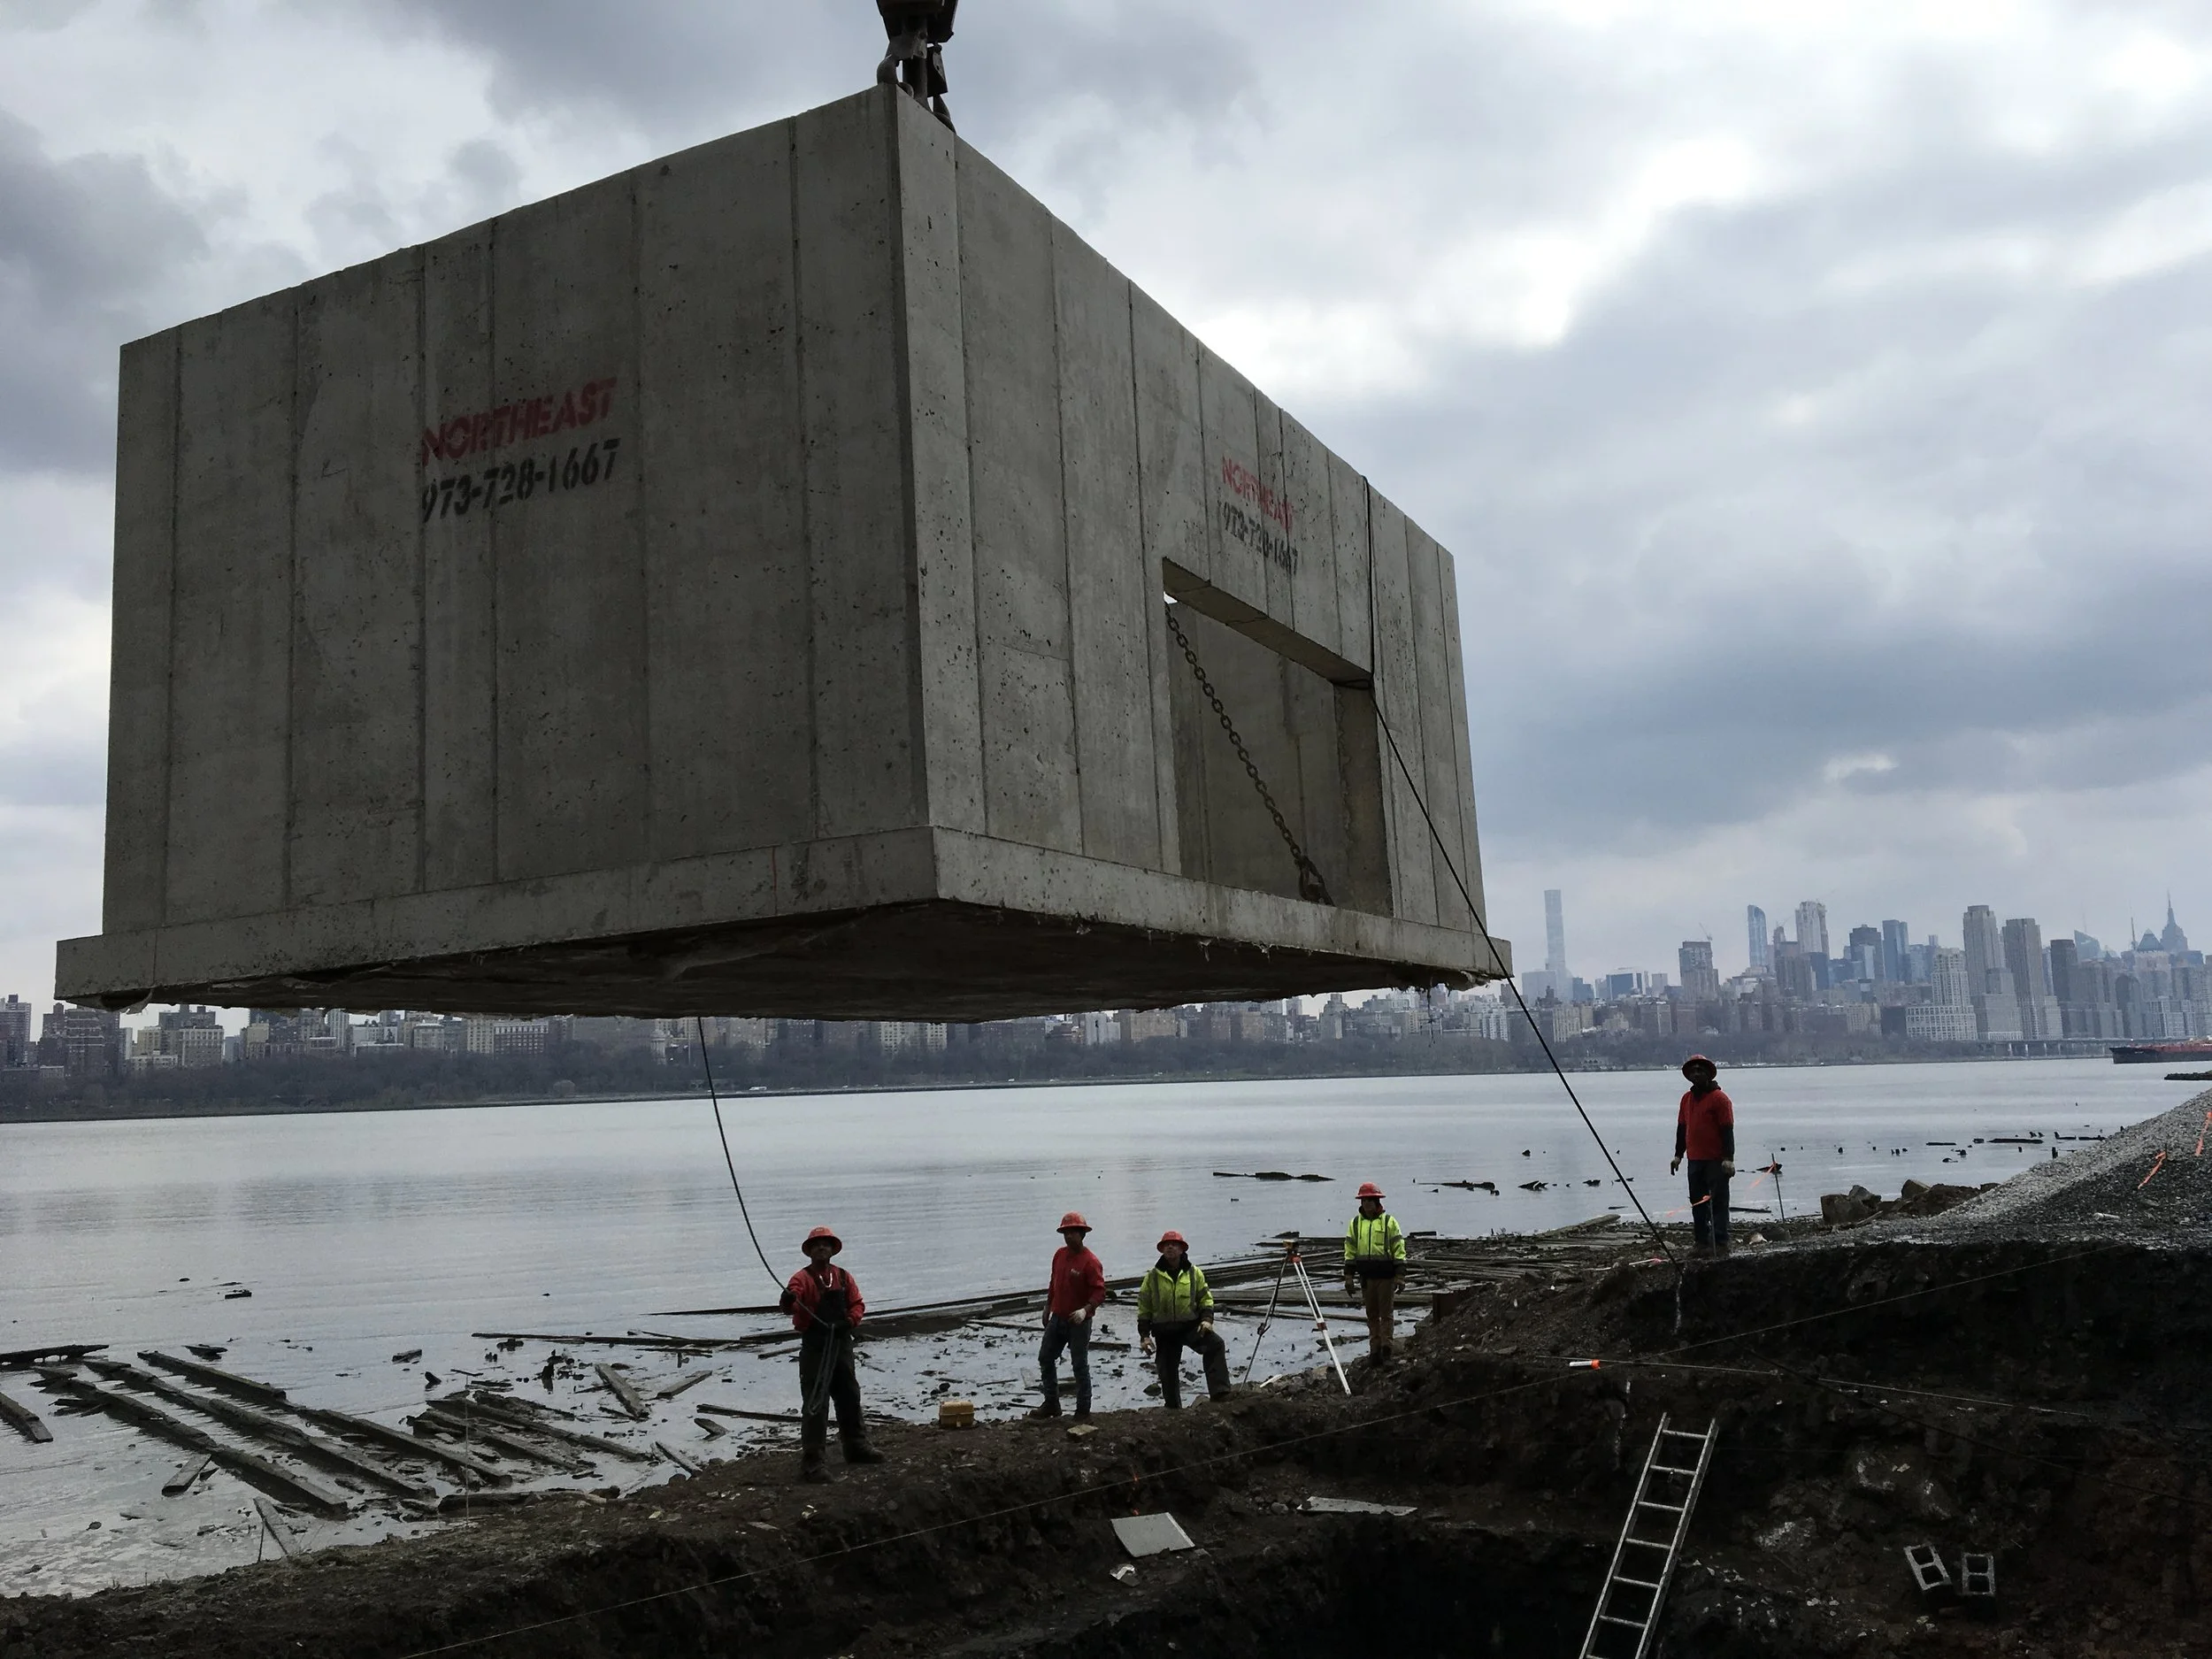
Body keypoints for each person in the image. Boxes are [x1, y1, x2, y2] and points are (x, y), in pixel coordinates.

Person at [779, 1225, 886, 1481]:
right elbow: (791, 1306)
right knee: (816, 1403)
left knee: (849, 1395)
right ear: (810, 1251)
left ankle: (856, 1446)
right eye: (817, 1245)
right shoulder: (801, 1279)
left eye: (825, 1244)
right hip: (816, 1346)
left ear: (832, 1249)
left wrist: (849, 1321)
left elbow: (857, 1304)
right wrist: (788, 1300)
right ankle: (813, 1464)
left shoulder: (844, 1277)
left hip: (841, 1344)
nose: (821, 1248)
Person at [1136, 1230, 1230, 1409]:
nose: (1170, 1247)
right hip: (1164, 1332)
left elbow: (1205, 1299)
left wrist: (1207, 1320)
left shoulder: (1194, 1274)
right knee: (1167, 1371)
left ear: (1181, 1249)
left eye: (1174, 1244)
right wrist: (1144, 1336)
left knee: (1216, 1345)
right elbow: (1144, 1308)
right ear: (1162, 1250)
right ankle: (1173, 1409)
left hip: (1190, 1328)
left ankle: (1220, 1394)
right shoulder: (1152, 1277)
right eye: (1166, 1245)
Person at [1030, 1210, 1106, 1423]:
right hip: (1058, 1317)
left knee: (1079, 1364)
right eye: (1066, 1232)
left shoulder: (1090, 1262)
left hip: (1079, 1321)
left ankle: (1083, 1409)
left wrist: (1085, 1310)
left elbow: (1099, 1291)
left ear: (1082, 1234)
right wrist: (1047, 1306)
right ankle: (1052, 1403)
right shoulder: (1059, 1255)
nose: (1069, 1236)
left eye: (1073, 1232)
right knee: (1045, 1357)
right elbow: (1054, 1282)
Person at [1671, 1055, 1736, 1257]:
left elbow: (1727, 1129)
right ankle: (1701, 1242)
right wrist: (1678, 1155)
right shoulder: (1686, 1099)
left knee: (1718, 1202)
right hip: (1695, 1159)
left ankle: (1721, 1242)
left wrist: (1729, 1158)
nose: (1696, 1074)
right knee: (1697, 1203)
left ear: (1708, 1074)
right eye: (1693, 1071)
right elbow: (1682, 1128)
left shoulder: (1720, 1099)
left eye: (1700, 1071)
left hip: (1716, 1160)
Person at [1341, 1181, 1408, 1363]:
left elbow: (1398, 1249)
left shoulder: (1389, 1222)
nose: (1367, 1203)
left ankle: (1387, 1350)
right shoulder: (1355, 1224)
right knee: (1371, 1315)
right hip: (1366, 1278)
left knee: (1386, 1315)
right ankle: (1374, 1351)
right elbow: (1350, 1251)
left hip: (1385, 1277)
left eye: (1370, 1200)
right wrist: (1348, 1276)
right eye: (1364, 1200)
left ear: (1377, 1201)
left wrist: (1400, 1276)